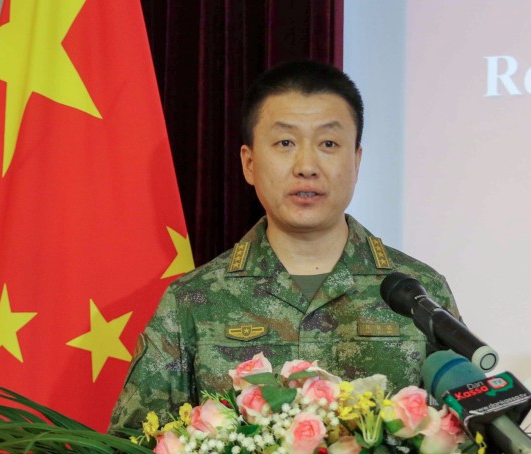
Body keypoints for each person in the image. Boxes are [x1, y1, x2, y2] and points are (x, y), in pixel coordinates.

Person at [108, 61, 460, 432]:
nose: (306, 166)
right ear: (249, 163)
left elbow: (462, 443)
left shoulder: (419, 293)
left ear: (356, 162)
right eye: (285, 143)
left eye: (328, 143)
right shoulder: (194, 300)